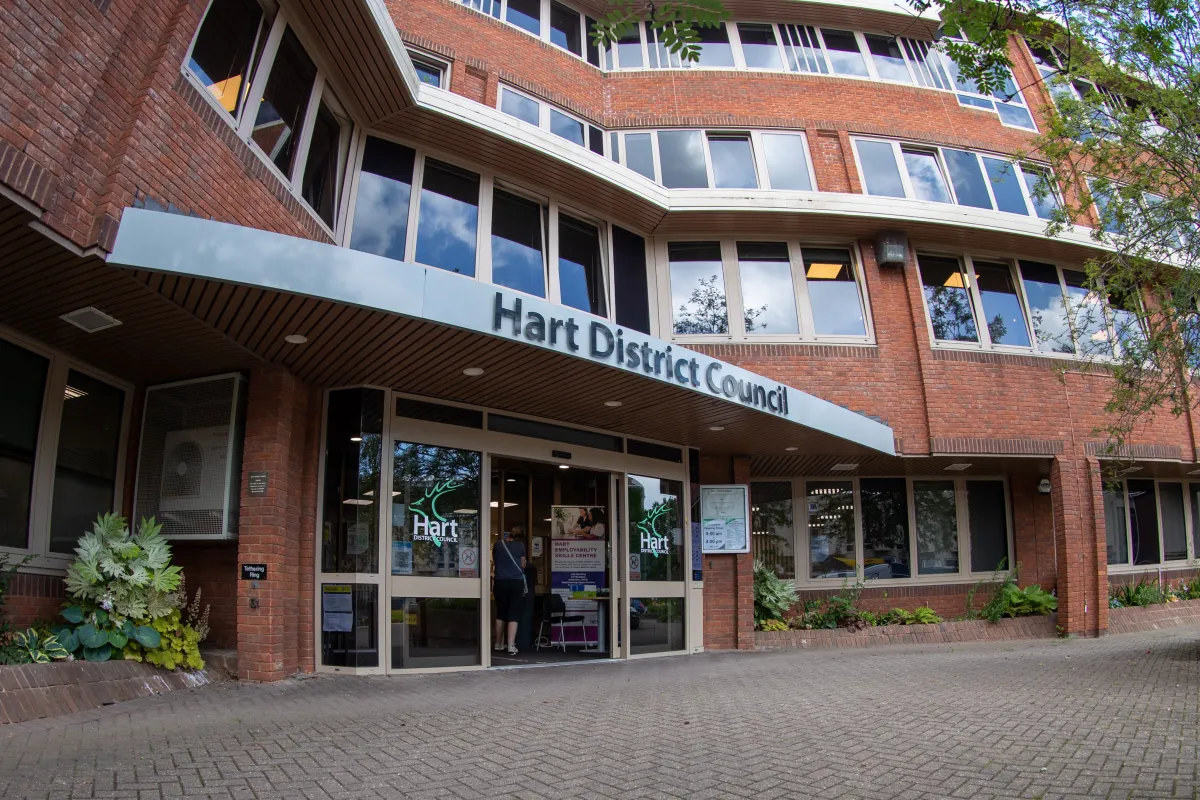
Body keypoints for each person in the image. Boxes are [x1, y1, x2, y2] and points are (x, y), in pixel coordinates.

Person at [492, 525, 526, 655]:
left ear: (509, 534)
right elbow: (522, 565)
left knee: (501, 612)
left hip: (500, 581)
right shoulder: (520, 546)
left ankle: (498, 643)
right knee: (513, 613)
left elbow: (495, 560)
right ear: (519, 538)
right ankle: (511, 645)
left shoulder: (498, 544)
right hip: (516, 582)